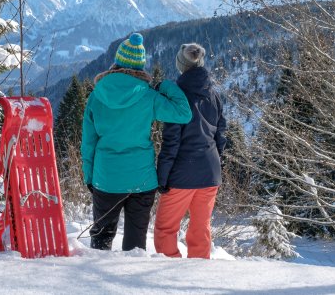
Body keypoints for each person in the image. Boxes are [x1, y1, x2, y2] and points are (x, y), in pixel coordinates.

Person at [81, 33, 192, 251]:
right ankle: (129, 281)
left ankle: (97, 277)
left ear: (117, 61)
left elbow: (89, 142)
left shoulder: (96, 95)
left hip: (107, 177)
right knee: (135, 242)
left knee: (101, 238)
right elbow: (183, 113)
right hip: (142, 179)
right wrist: (166, 86)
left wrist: (89, 176)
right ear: (140, 66)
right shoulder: (148, 96)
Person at [154, 43, 227, 259]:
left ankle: (171, 273)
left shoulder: (178, 97)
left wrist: (162, 176)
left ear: (181, 64)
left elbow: (171, 141)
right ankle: (197, 273)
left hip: (181, 174)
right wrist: (215, 161)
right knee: (200, 230)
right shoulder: (213, 94)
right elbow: (221, 134)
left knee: (165, 230)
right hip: (210, 172)